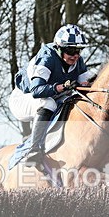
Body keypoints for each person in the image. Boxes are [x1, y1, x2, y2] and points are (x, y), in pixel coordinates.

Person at [9, 24, 93, 169]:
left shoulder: (77, 61)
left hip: (49, 96)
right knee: (48, 103)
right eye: (71, 50)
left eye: (78, 50)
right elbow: (36, 90)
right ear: (59, 48)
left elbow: (88, 82)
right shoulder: (47, 58)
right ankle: (33, 150)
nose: (75, 55)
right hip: (23, 99)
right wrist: (61, 87)